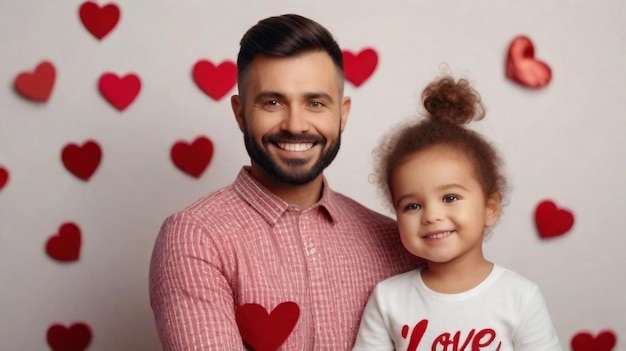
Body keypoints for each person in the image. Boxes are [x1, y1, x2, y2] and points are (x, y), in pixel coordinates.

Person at [149, 14, 419, 350]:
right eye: (273, 102)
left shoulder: (397, 242)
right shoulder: (195, 237)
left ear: (343, 113)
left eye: (315, 103)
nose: (295, 124)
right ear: (240, 113)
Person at [351, 76, 562, 350]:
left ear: (490, 208)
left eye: (450, 197)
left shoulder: (520, 298)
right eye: (412, 205)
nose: (431, 215)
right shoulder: (388, 299)